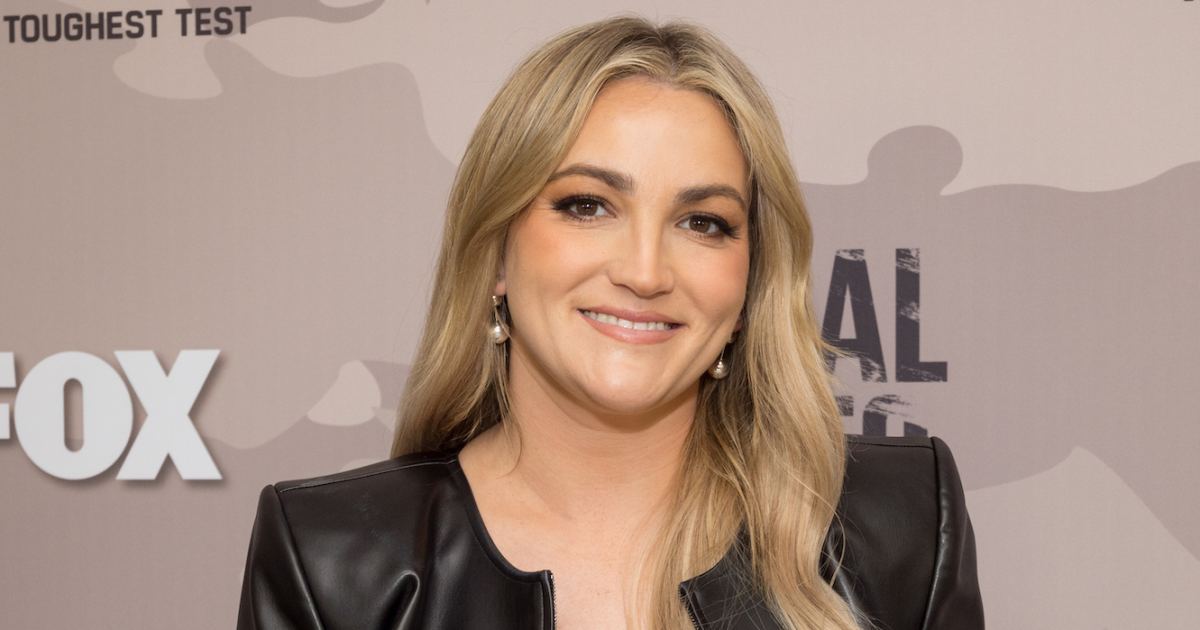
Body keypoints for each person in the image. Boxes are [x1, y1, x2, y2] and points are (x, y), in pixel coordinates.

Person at [236, 15, 983, 630]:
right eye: (587, 206)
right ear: (496, 253)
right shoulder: (332, 559)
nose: (646, 272)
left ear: (751, 279)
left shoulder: (900, 524)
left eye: (703, 221)